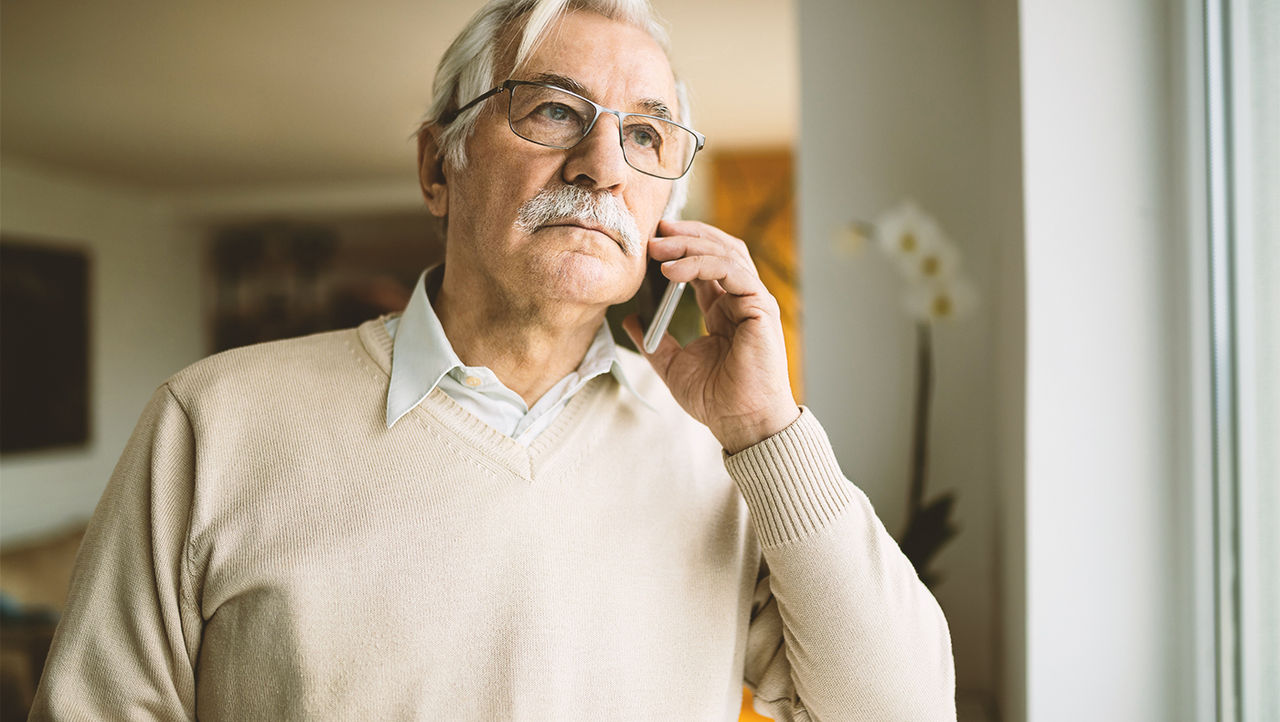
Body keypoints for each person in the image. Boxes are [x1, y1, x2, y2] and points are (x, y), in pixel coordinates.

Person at [31, 0, 956, 719]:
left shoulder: (723, 456)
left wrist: (765, 429)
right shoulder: (212, 421)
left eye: (645, 135)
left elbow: (902, 712)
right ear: (440, 167)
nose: (603, 165)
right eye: (556, 111)